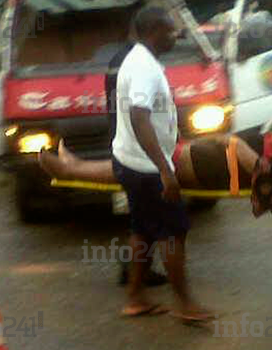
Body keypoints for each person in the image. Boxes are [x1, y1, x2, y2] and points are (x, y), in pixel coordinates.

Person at [109, 6, 210, 321]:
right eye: (170, 29)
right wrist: (166, 170)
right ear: (153, 30)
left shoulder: (141, 60)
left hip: (131, 162)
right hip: (147, 169)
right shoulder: (144, 67)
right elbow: (139, 117)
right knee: (174, 232)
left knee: (143, 230)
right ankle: (186, 305)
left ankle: (135, 298)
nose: (176, 35)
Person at [40, 131, 272, 217]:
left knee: (141, 167)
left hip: (216, 165)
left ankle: (71, 168)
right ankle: (74, 165)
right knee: (143, 164)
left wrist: (234, 143)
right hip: (213, 159)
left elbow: (266, 173)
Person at [104, 26, 169, 288]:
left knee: (138, 218)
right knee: (142, 217)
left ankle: (136, 274)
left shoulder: (122, 60)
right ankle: (134, 272)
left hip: (125, 147)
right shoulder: (138, 64)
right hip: (138, 152)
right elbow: (139, 114)